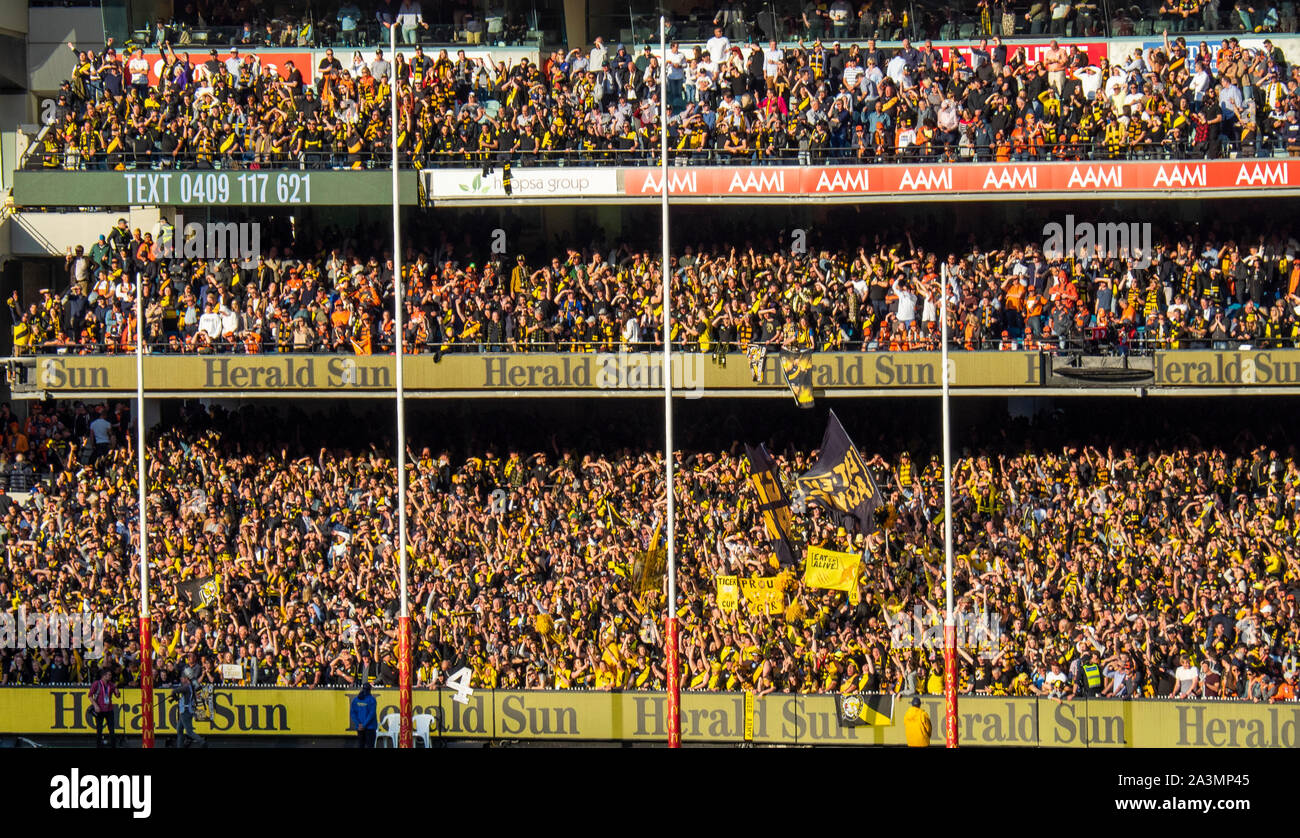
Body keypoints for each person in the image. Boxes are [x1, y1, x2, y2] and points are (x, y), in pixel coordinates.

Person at [170, 668, 205, 747]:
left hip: (185, 711)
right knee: (179, 730)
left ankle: (202, 741)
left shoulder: (186, 687)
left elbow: (174, 691)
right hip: (187, 710)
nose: (181, 680)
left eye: (182, 678)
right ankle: (180, 746)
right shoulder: (191, 687)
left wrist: (174, 696)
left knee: (189, 732)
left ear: (186, 678)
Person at [89, 668, 120, 748]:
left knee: (112, 730)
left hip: (109, 710)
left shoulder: (111, 684)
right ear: (104, 676)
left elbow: (117, 696)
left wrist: (117, 692)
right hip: (100, 710)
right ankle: (98, 746)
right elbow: (90, 696)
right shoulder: (97, 683)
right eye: (109, 675)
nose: (110, 676)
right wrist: (95, 706)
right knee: (99, 730)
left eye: (110, 675)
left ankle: (113, 746)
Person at [350, 682, 379, 746]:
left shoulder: (356, 699)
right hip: (370, 727)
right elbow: (371, 714)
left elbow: (353, 713)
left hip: (360, 727)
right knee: (370, 745)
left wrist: (358, 724)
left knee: (361, 745)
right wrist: (364, 724)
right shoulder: (372, 700)